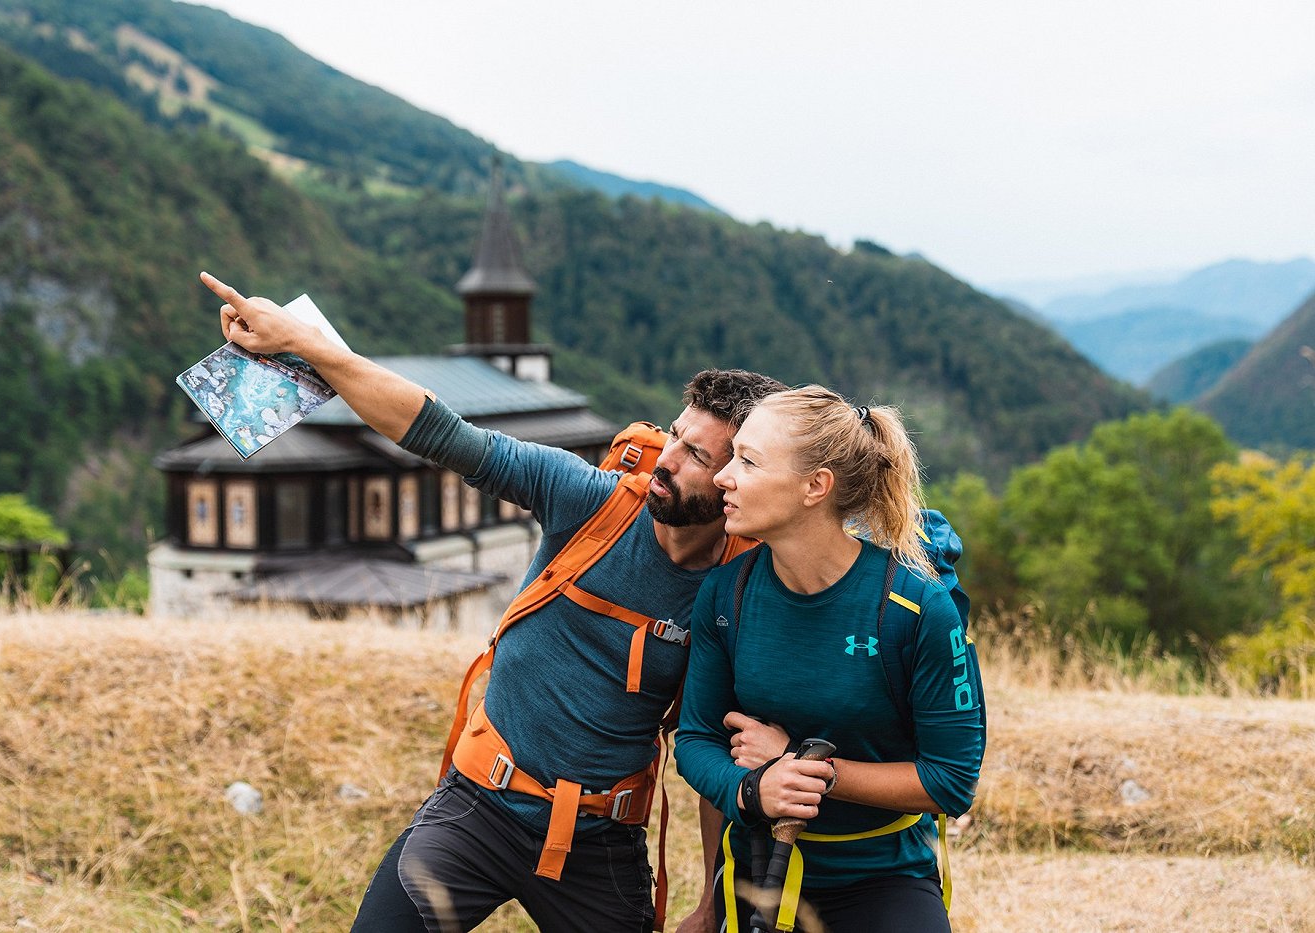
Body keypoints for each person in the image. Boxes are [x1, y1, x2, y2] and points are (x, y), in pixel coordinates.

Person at [198, 272, 787, 932]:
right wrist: (305, 342)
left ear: (736, 476)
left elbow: (713, 742)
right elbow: (437, 430)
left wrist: (712, 902)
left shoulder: (739, 590)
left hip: (600, 843)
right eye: (674, 435)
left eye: (695, 454)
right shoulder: (587, 500)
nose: (666, 460)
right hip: (478, 807)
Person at [674, 386, 986, 933]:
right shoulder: (726, 595)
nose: (724, 476)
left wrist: (802, 766)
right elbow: (696, 740)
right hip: (754, 872)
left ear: (815, 486)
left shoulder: (916, 609)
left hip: (883, 882)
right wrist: (752, 789)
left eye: (748, 461)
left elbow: (951, 781)